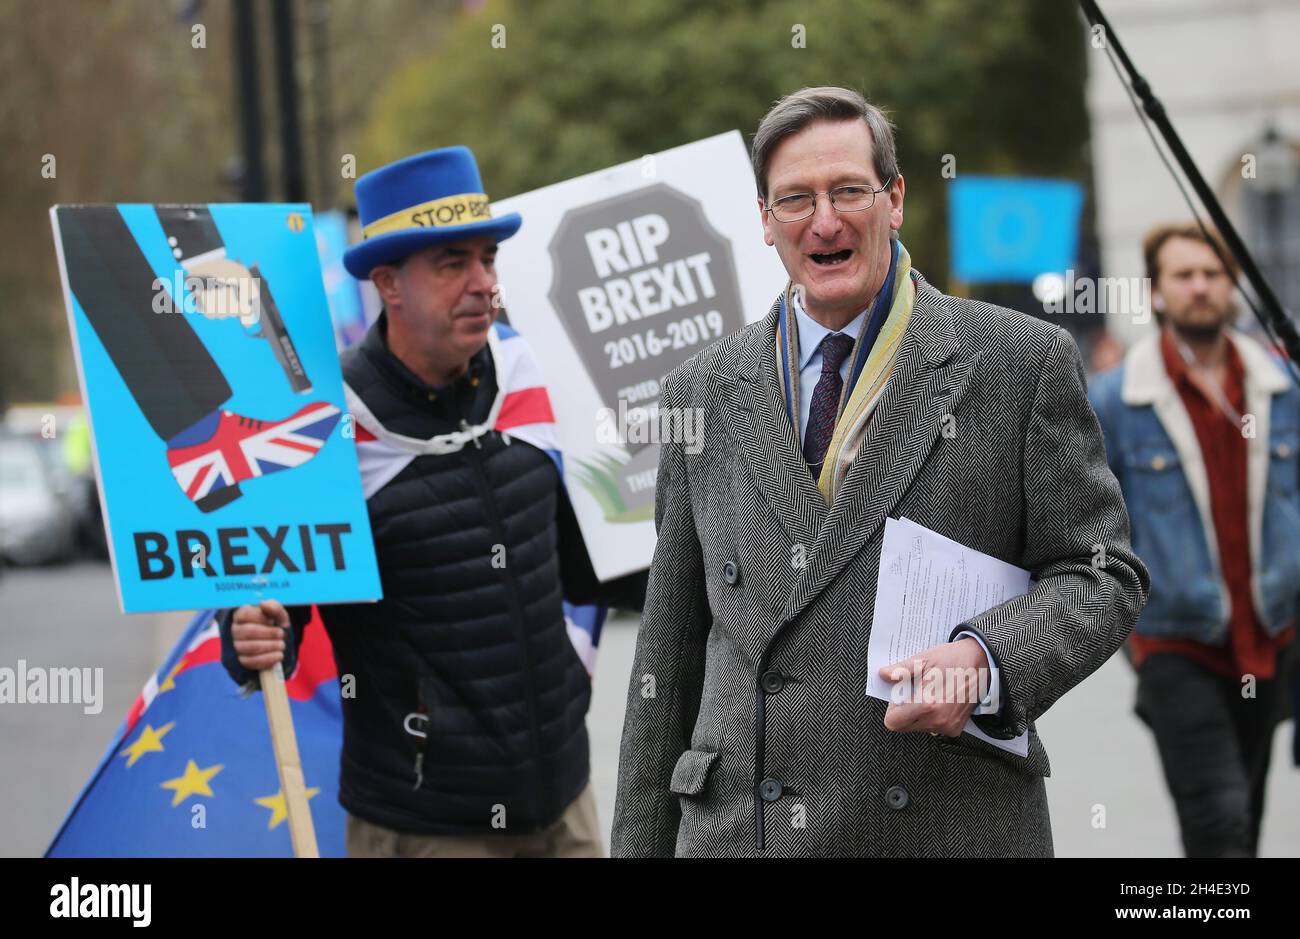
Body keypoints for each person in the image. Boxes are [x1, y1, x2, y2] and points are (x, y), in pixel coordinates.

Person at [610, 86, 1149, 857]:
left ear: (893, 200)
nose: (824, 221)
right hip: (744, 832)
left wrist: (987, 659)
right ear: (765, 220)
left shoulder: (1020, 362)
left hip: (941, 823)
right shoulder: (698, 391)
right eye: (796, 199)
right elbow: (665, 656)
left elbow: (1101, 574)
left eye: (848, 191)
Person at [220, 146, 645, 857]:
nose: (483, 284)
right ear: (388, 282)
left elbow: (581, 566)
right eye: (453, 264)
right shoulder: (326, 425)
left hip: (564, 803)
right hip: (423, 827)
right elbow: (272, 614)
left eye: (488, 258)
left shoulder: (529, 371)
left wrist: (701, 559)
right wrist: (248, 636)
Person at [1089, 222, 1297, 857]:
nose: (1200, 288)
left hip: (1271, 635)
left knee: (1248, 810)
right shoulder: (1117, 401)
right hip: (1175, 641)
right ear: (1156, 293)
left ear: (1232, 285)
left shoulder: (1281, 388)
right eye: (1184, 276)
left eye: (1212, 274)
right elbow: (1095, 521)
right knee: (1218, 819)